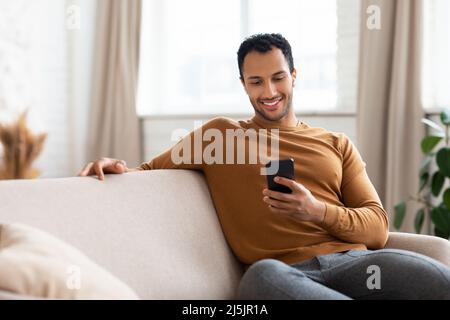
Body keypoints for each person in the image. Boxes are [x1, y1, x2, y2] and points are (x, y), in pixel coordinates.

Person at [78, 33, 450, 299]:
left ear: (294, 76)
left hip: (357, 265)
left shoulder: (336, 143)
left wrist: (316, 211)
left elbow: (377, 229)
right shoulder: (219, 137)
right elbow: (147, 170)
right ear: (243, 85)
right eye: (256, 81)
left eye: (277, 77)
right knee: (260, 279)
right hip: (286, 275)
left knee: (439, 281)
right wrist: (115, 167)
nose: (269, 92)